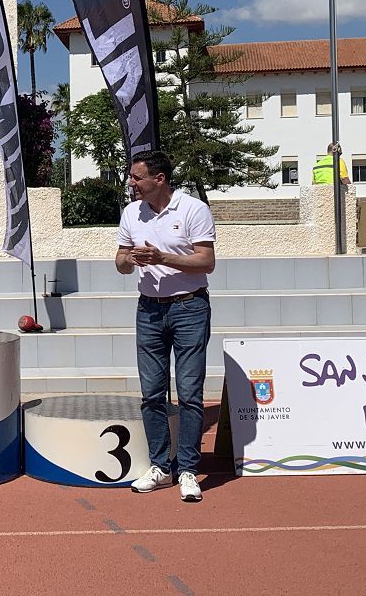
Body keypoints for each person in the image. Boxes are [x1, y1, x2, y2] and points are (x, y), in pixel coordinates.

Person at [114, 150, 216, 503]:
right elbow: (121, 263)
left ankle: (187, 468)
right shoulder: (131, 212)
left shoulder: (193, 209)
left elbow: (207, 261)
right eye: (131, 176)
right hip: (149, 310)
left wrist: (162, 258)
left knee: (189, 393)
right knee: (152, 393)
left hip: (189, 307)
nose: (131, 182)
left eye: (137, 177)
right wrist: (131, 259)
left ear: (159, 180)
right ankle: (161, 466)